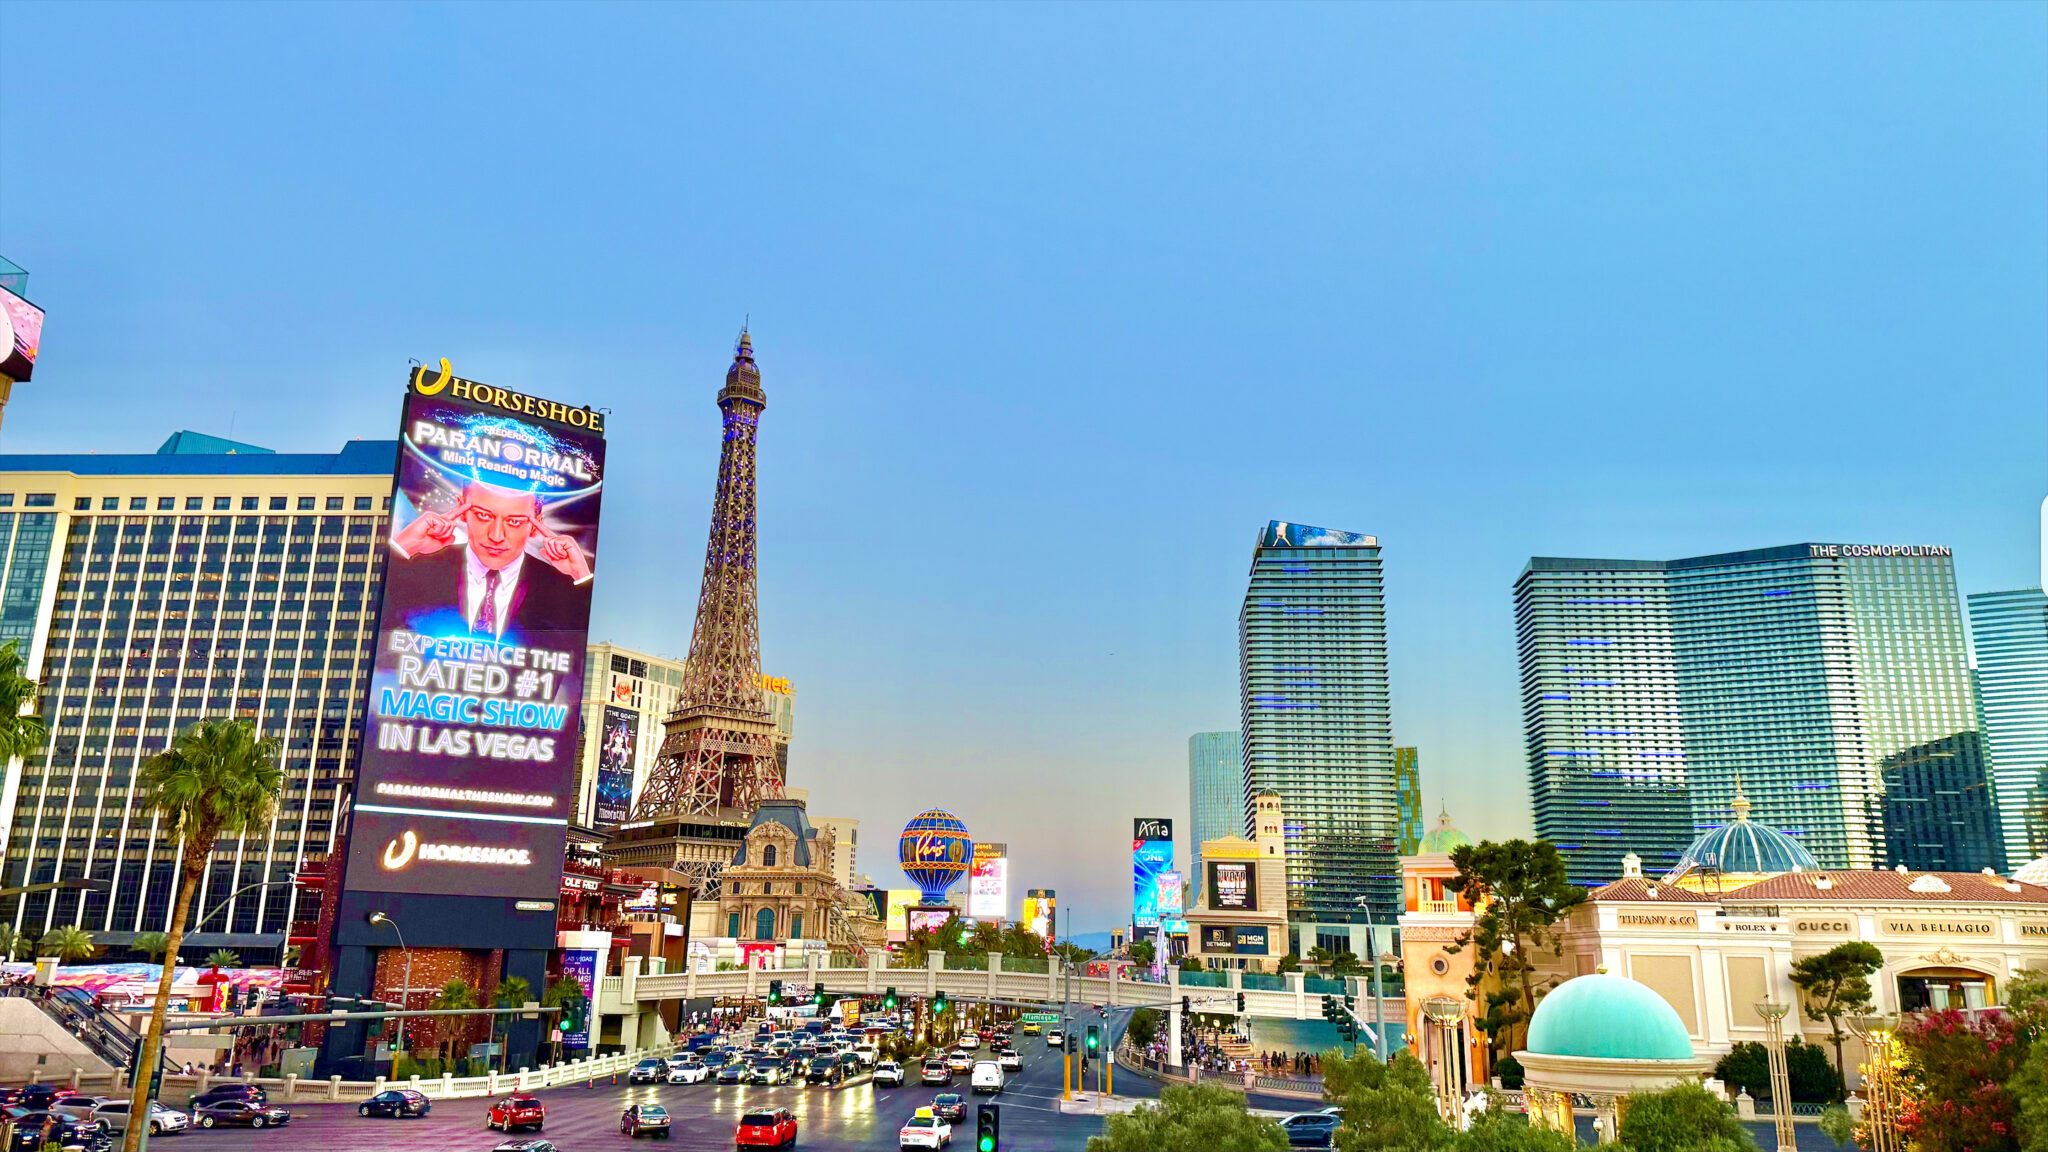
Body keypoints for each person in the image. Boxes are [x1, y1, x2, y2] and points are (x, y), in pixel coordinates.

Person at [387, 480, 593, 640]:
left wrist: (580, 575)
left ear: (535, 525)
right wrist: (404, 547)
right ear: (462, 510)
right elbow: (380, 621)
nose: (496, 536)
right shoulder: (420, 569)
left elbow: (574, 654)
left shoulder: (558, 591)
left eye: (514, 521)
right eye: (484, 515)